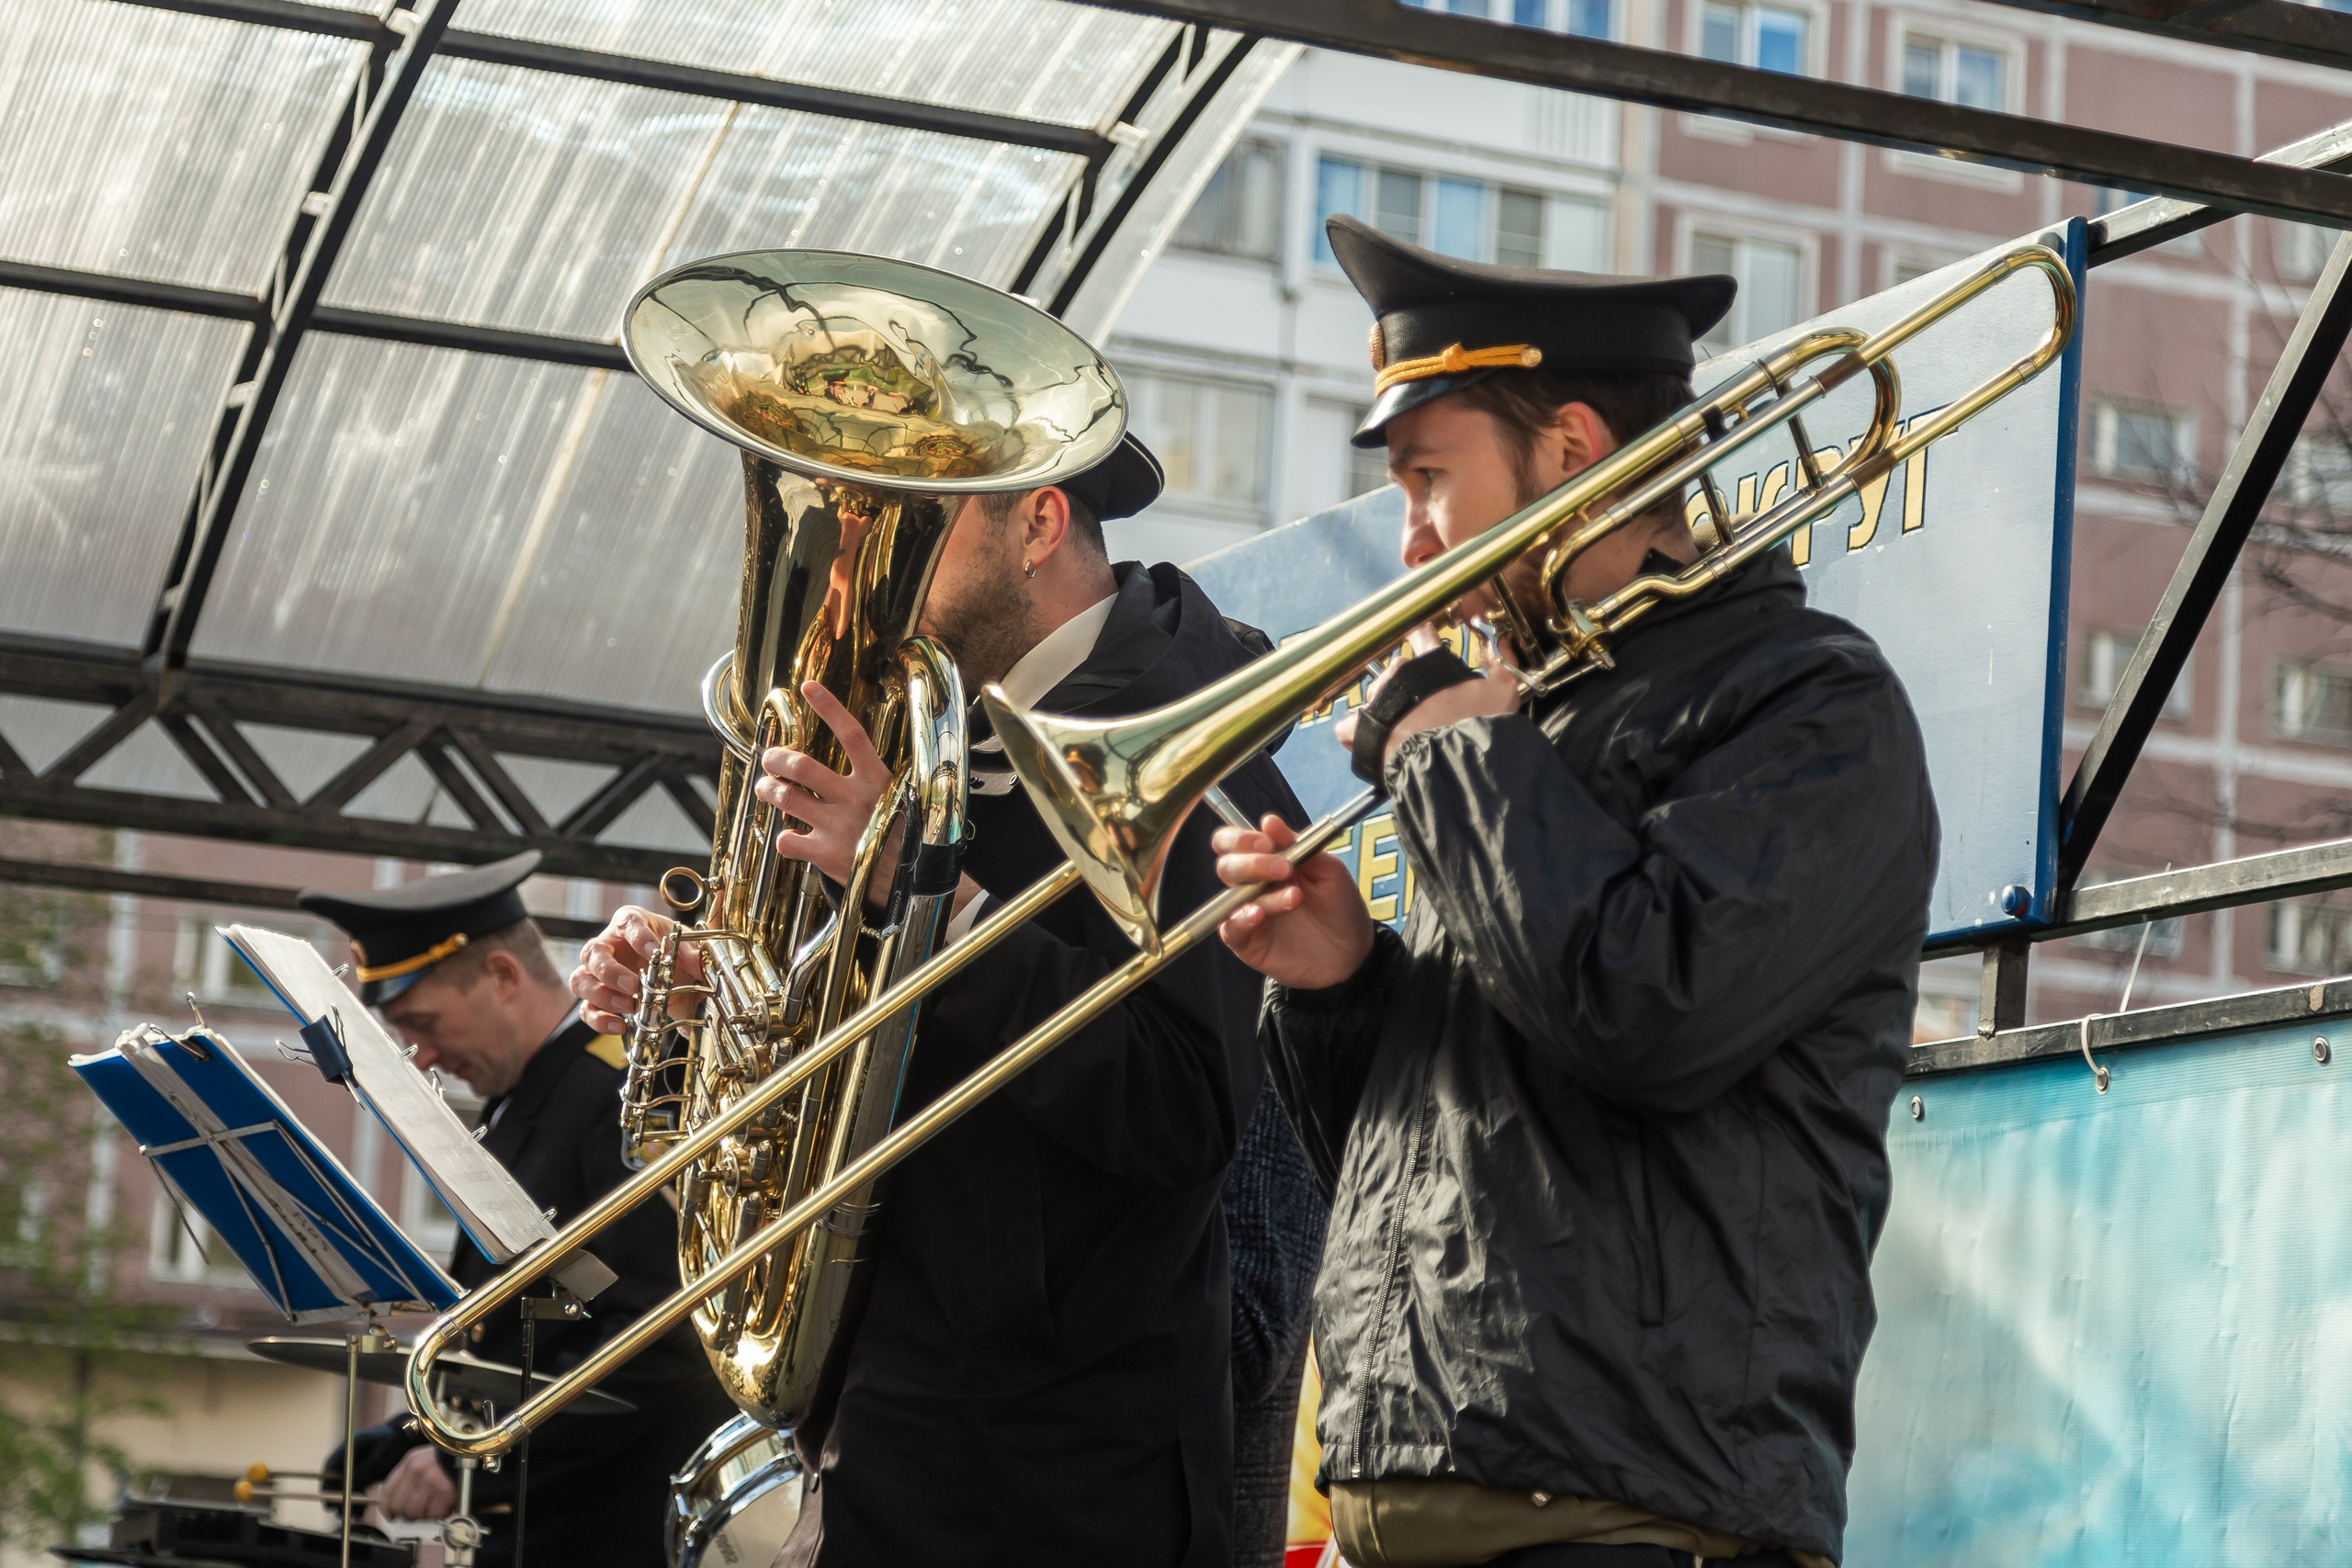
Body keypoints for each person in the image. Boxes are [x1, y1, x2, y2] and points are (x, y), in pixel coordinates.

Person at [1209, 214, 1940, 1568]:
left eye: (1431, 480)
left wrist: (1447, 743)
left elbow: (1641, 1012)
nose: (1414, 543)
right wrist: (1340, 987)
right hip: (1422, 1498)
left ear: (1572, 453)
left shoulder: (1810, 701)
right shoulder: (1512, 730)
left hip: (1639, 1515)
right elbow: (1430, 1164)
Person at [571, 433, 1308, 1568]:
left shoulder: (1177, 736)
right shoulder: (943, 744)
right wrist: (710, 993)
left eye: (917, 529)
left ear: (1041, 524)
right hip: (893, 1430)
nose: (866, 577)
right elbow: (894, 1049)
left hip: (1054, 1487)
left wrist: (921, 884)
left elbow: (1185, 1109)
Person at [299, 852, 734, 1568]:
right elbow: (517, 1337)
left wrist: (476, 1454)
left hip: (617, 1533)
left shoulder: (616, 1094)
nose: (424, 1055)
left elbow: (660, 1334)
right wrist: (419, 1435)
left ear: (503, 975)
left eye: (425, 1021)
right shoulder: (530, 1102)